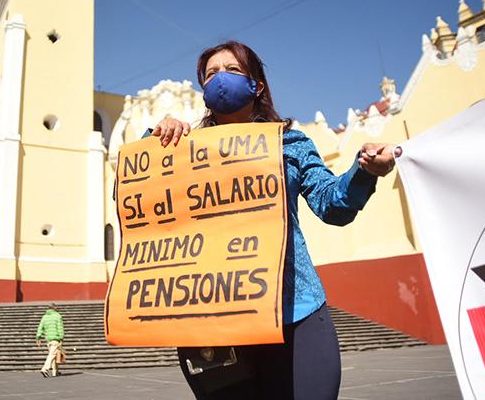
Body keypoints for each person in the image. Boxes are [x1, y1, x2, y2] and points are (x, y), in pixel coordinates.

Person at [151, 41, 400, 400]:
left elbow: (334, 206)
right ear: (203, 91)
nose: (221, 78)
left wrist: (365, 173)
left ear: (257, 85)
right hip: (216, 321)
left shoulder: (290, 143)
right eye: (211, 74)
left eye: (233, 70)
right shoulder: (182, 149)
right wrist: (157, 138)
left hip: (297, 313)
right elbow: (140, 202)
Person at [35, 303, 64, 378]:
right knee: (52, 355)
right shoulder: (58, 316)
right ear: (54, 309)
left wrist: (38, 337)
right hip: (55, 339)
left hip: (48, 339)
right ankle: (45, 369)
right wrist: (61, 338)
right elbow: (60, 328)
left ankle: (55, 372)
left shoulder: (44, 317)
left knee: (54, 355)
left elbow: (40, 327)